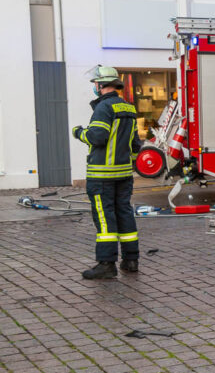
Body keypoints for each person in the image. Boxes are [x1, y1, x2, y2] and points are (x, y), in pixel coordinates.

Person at [72, 65, 143, 279]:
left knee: (104, 218)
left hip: (102, 176)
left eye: (95, 83)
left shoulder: (103, 107)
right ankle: (131, 260)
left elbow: (97, 137)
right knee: (125, 214)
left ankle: (106, 264)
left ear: (101, 85)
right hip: (124, 175)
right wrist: (127, 163)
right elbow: (135, 145)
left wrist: (79, 132)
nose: (94, 86)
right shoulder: (128, 108)